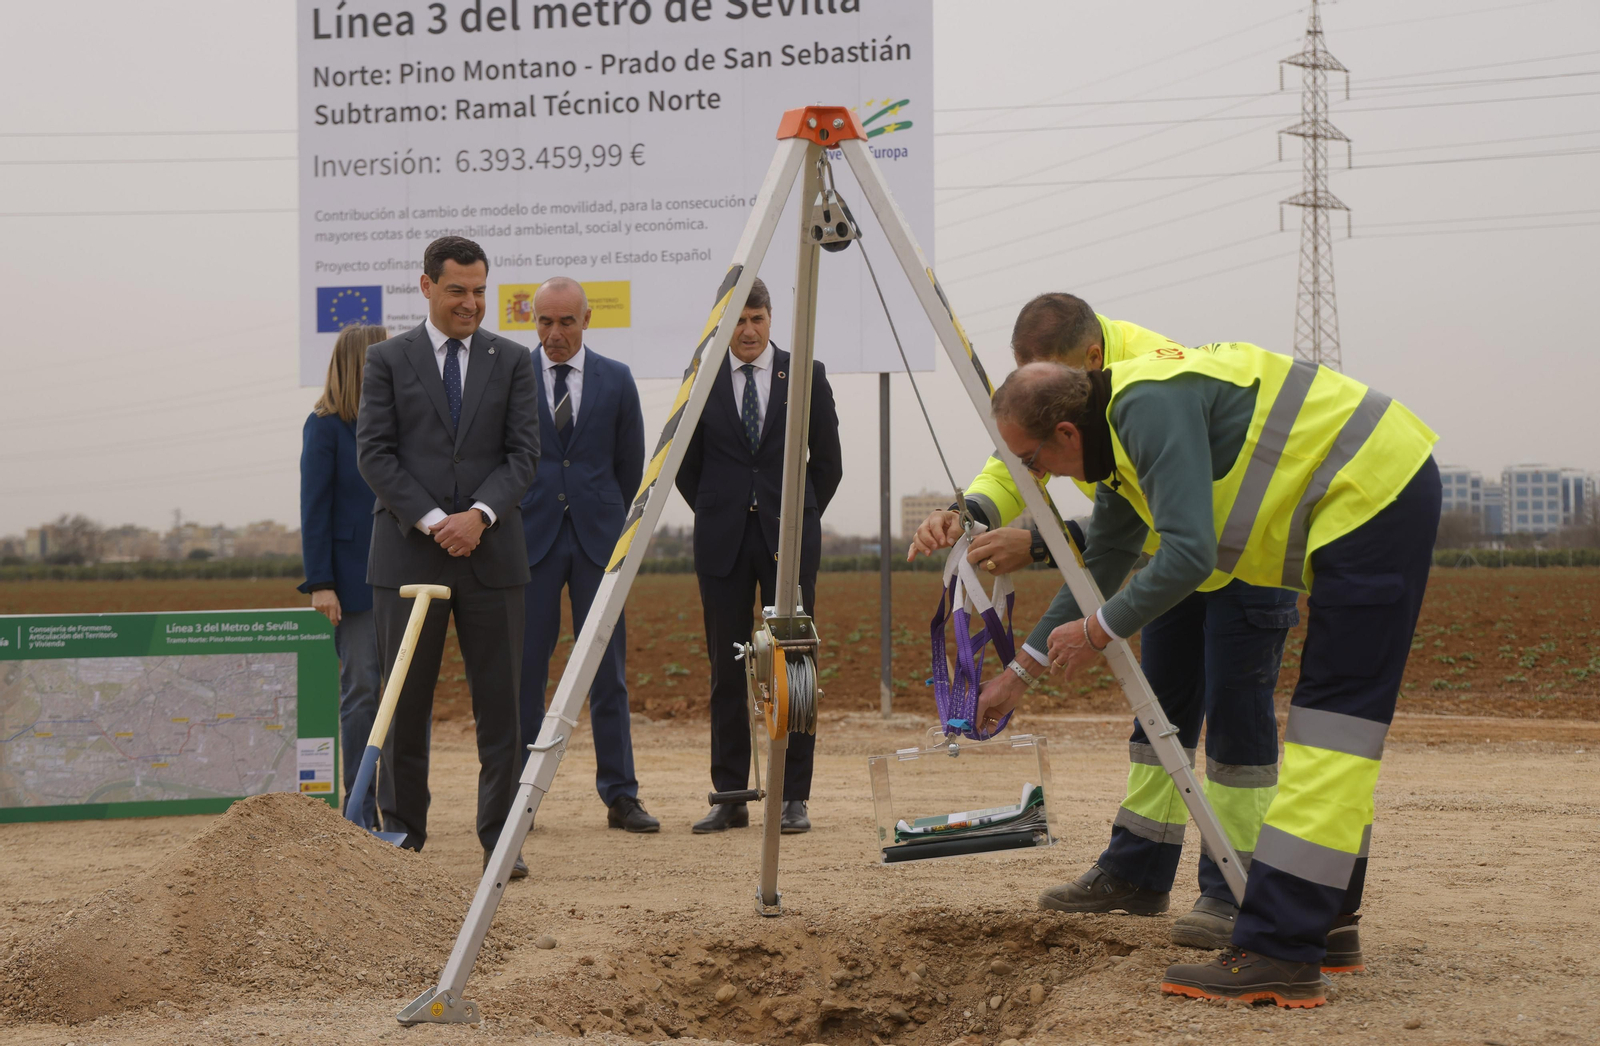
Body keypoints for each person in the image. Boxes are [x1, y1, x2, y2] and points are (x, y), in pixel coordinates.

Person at [979, 348, 1440, 1007]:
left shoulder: (1145, 409)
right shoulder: (1119, 440)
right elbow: (1104, 562)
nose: (1035, 475)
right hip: (1367, 489)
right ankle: (1327, 924)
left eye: (1031, 459)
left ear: (1067, 435)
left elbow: (1189, 553)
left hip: (1373, 491)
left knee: (1333, 728)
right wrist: (1019, 673)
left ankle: (1280, 950)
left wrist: (1101, 631)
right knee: (1335, 729)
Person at [908, 293, 1301, 955]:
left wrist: (1036, 545)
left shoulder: (1146, 384)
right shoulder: (1060, 389)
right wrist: (969, 510)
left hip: (1237, 553)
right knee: (1158, 713)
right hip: (1166, 561)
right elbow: (1023, 462)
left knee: (1238, 718)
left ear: (1087, 364)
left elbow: (1148, 513)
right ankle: (1136, 871)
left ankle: (1235, 886)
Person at [356, 236, 540, 877]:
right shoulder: (386, 360)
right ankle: (403, 837)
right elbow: (375, 455)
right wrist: (438, 523)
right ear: (427, 286)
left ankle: (501, 842)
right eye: (458, 289)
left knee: (503, 708)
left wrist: (478, 517)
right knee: (404, 704)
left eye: (481, 290)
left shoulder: (514, 360)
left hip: (493, 557)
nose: (472, 303)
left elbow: (523, 456)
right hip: (409, 558)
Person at [675, 277, 843, 835]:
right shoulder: (701, 376)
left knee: (794, 669)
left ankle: (794, 795)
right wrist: (718, 507)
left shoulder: (805, 375)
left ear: (771, 319)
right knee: (727, 670)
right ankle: (730, 796)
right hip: (721, 542)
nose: (747, 331)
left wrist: (799, 516)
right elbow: (685, 463)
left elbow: (829, 464)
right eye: (737, 321)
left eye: (756, 319)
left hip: (787, 541)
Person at [517, 277, 657, 832]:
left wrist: (617, 537)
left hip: (600, 544)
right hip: (532, 542)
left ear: (586, 319)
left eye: (565, 322)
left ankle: (621, 795)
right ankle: (515, 799)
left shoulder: (617, 380)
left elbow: (631, 468)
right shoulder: (512, 377)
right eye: (545, 323)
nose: (554, 334)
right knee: (527, 672)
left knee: (607, 672)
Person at [299, 322, 388, 822]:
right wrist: (321, 583)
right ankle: (358, 807)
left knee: (405, 695)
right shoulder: (326, 424)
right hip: (352, 586)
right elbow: (315, 508)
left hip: (405, 578)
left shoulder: (404, 424)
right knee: (361, 693)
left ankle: (401, 806)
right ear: (366, 362)